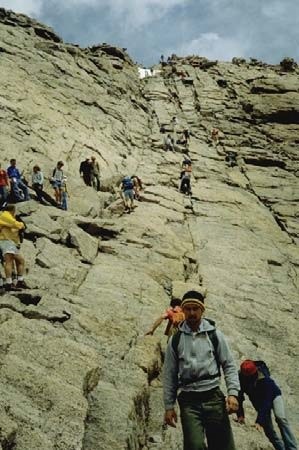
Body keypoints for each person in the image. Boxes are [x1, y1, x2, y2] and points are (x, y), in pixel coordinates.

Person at [163, 290, 240, 450]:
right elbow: (169, 374)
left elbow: (229, 364)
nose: (192, 313)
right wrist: (169, 406)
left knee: (222, 446)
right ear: (183, 310)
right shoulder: (175, 340)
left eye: (195, 309)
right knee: (194, 445)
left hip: (213, 397)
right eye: (188, 309)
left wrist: (233, 393)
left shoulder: (214, 335)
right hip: (189, 402)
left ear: (202, 310)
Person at [237, 360, 298, 450]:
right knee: (269, 431)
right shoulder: (240, 378)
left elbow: (266, 402)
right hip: (258, 402)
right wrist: (240, 414)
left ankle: (292, 448)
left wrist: (259, 421)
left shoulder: (264, 379)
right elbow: (239, 396)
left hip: (273, 396)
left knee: (281, 418)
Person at [0, 204, 27, 291]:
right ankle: (9, 283)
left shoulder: (7, 216)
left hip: (11, 242)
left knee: (20, 260)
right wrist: (21, 224)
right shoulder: (5, 215)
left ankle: (20, 280)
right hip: (6, 241)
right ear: (12, 210)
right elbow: (16, 224)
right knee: (9, 261)